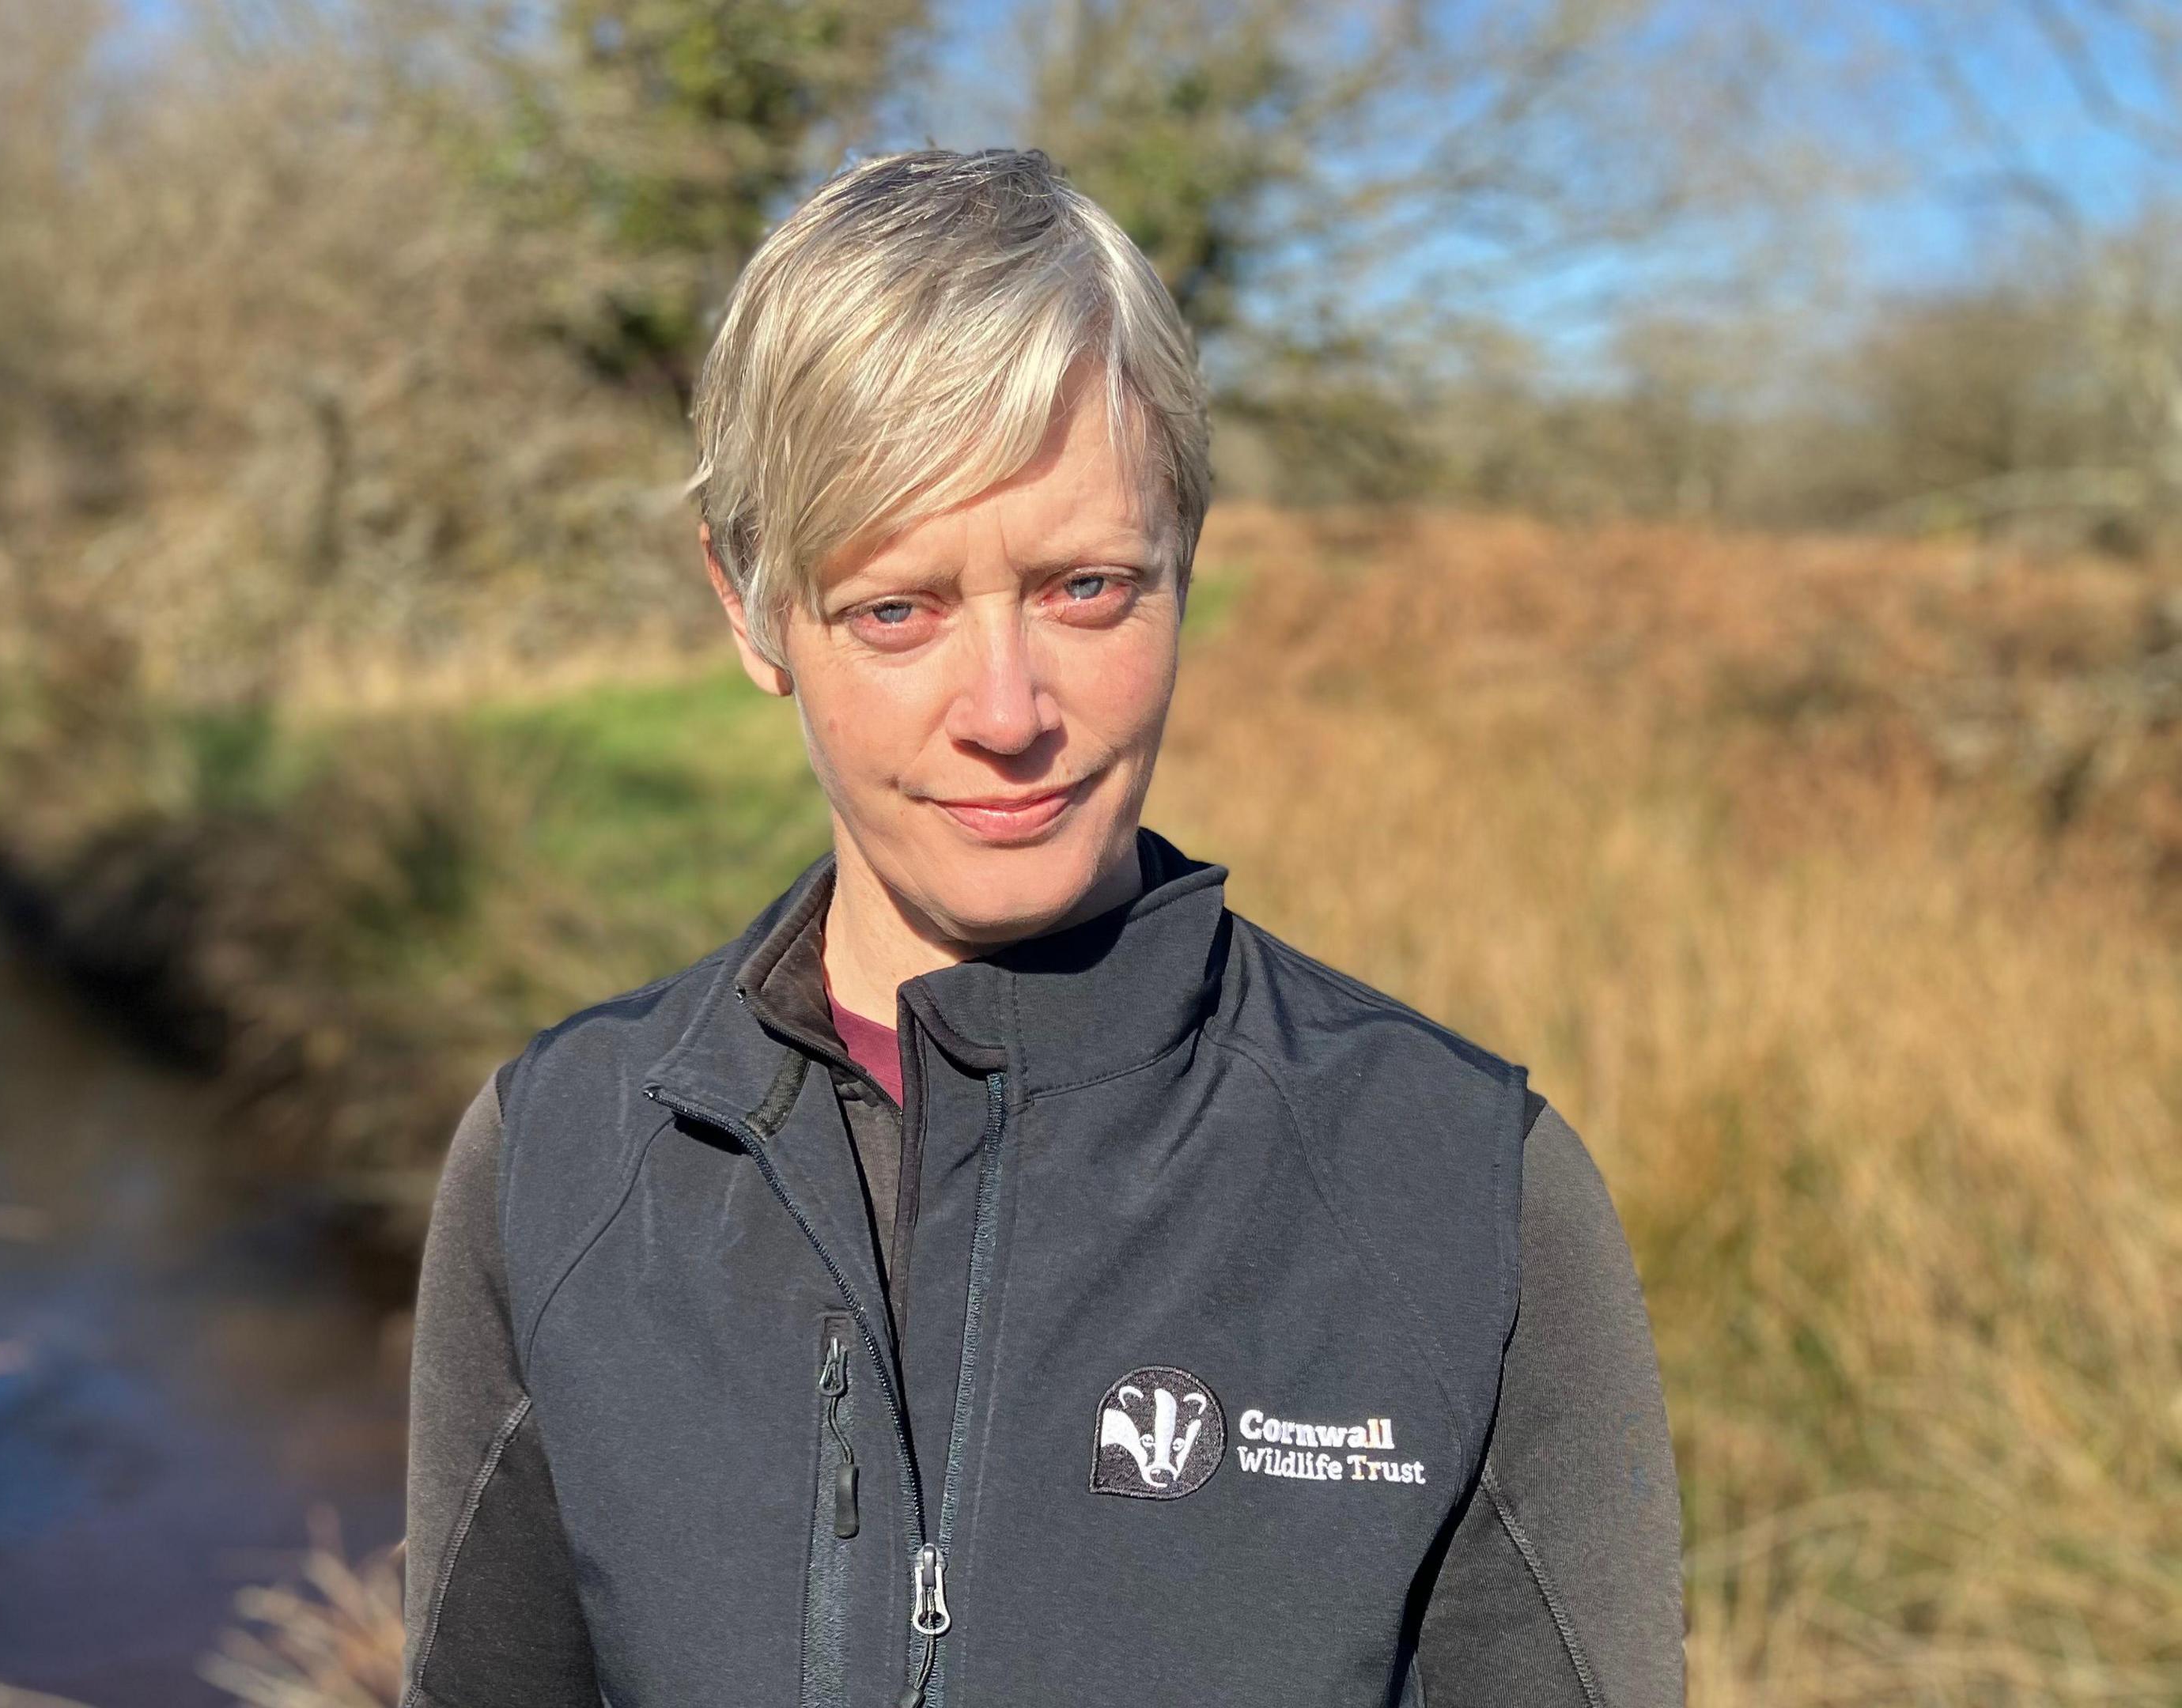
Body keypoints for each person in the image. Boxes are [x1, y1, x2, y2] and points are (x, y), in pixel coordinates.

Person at [399, 147, 1682, 1708]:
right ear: (749, 612)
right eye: (898, 609)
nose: (1008, 714)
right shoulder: (563, 1161)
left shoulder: (1465, 1196)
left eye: (1086, 587)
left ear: (1185, 567)